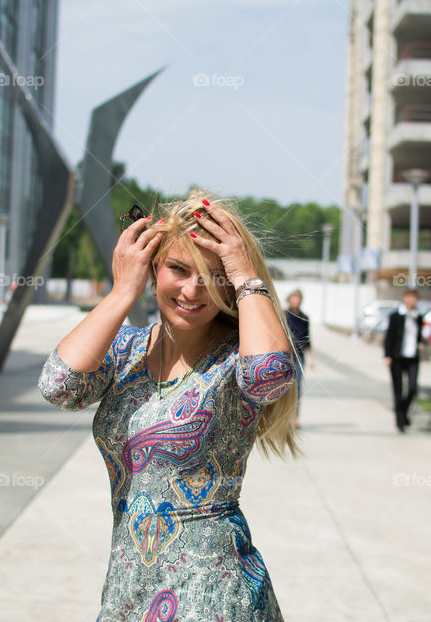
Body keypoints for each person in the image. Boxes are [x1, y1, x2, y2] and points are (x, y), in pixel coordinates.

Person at [39, 187, 299, 621]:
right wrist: (124, 291)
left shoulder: (236, 358)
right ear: (154, 267)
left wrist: (245, 273)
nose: (193, 290)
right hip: (129, 586)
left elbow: (270, 376)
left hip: (213, 591)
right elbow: (59, 386)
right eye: (178, 269)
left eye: (215, 276)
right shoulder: (126, 351)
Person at [384, 288, 424, 433]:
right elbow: (389, 336)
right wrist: (387, 355)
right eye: (409, 297)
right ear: (405, 298)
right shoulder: (396, 316)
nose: (412, 300)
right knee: (398, 390)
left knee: (413, 388)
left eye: (414, 297)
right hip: (397, 357)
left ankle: (404, 412)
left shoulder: (418, 317)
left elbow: (419, 336)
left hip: (413, 357)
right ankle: (400, 421)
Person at [284, 289, 313, 429]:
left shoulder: (305, 317)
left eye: (298, 298)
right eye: (294, 297)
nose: (296, 300)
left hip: (299, 356)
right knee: (284, 388)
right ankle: (283, 418)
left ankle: (295, 417)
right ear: (290, 299)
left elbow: (308, 339)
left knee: (298, 388)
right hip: (285, 356)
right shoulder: (283, 315)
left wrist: (311, 358)